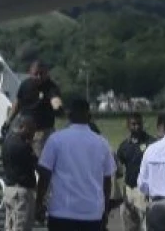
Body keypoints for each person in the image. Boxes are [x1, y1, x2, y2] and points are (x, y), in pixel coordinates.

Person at [36, 97, 116, 231]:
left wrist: (39, 203)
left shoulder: (56, 140)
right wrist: (105, 209)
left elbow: (44, 174)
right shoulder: (102, 143)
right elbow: (107, 180)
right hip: (92, 214)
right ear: (89, 116)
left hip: (61, 213)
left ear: (69, 115)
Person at [13, 62, 62, 157]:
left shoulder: (51, 87)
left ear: (47, 73)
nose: (39, 77)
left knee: (40, 158)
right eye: (36, 74)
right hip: (24, 130)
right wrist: (8, 121)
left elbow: (55, 99)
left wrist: (57, 106)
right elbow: (17, 104)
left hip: (42, 132)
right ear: (30, 73)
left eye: (42, 74)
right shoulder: (25, 85)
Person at [117, 113, 153, 231]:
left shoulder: (151, 143)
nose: (137, 127)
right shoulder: (124, 146)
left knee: (145, 226)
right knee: (128, 225)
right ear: (128, 126)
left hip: (144, 191)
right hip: (129, 190)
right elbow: (119, 168)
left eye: (139, 124)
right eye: (133, 124)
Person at [2, 116, 39, 231]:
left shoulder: (7, 141)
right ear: (22, 127)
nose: (33, 133)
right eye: (31, 129)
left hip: (10, 189)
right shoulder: (23, 146)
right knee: (21, 226)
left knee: (10, 226)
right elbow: (36, 164)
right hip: (21, 192)